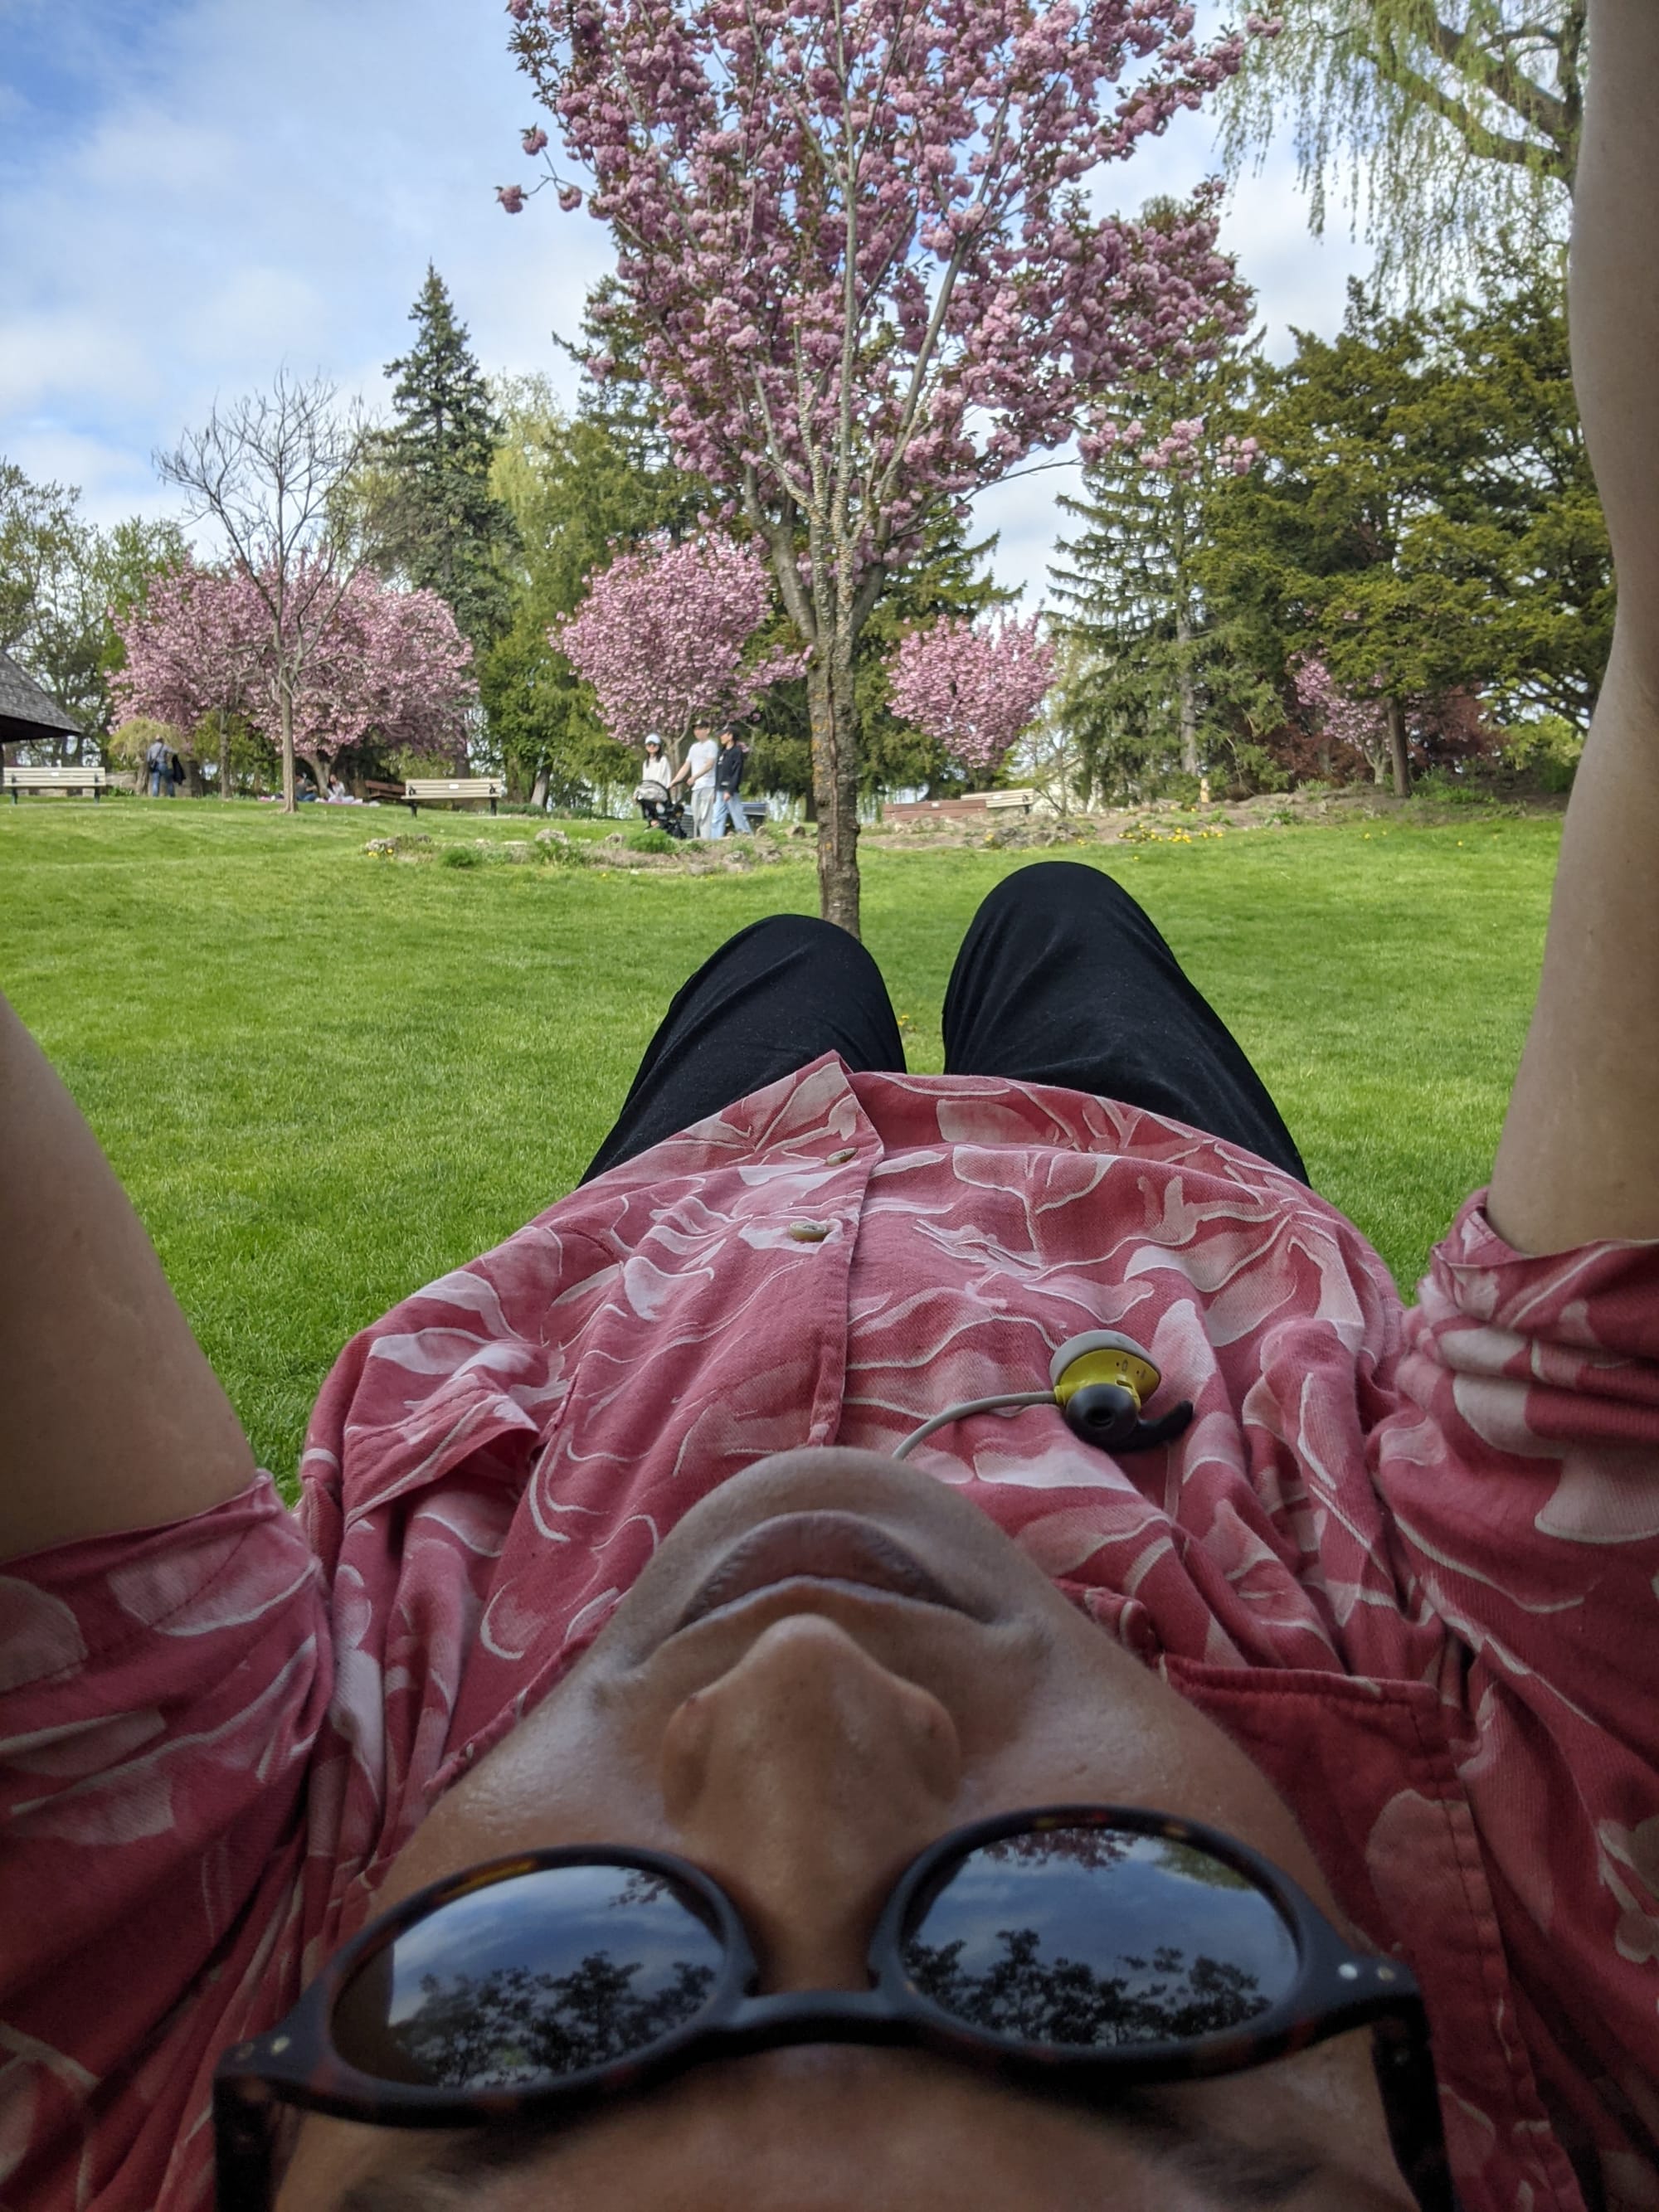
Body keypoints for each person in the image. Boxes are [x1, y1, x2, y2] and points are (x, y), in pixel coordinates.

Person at [3, 8, 1658, 2204]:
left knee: (782, 970)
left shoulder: (115, 2055)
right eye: (1112, 1961)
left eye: (528, 2008)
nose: (798, 1697)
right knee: (1063, 908)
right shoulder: (1587, 1925)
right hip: (1169, 1245)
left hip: (645, 1267)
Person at [671, 721, 720, 839]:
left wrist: (695, 777)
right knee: (696, 816)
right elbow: (686, 766)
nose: (697, 731)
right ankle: (697, 841)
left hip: (708, 786)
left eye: (700, 728)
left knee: (705, 817)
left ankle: (706, 842)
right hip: (696, 787)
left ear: (707, 730)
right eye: (695, 729)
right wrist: (674, 782)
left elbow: (709, 765)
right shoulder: (694, 747)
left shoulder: (711, 745)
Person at [710, 722, 752, 835]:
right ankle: (715, 841)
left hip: (730, 790)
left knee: (738, 816)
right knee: (716, 817)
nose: (721, 737)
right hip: (719, 789)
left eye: (724, 734)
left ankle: (746, 835)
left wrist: (730, 790)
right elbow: (718, 772)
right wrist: (715, 790)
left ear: (730, 736)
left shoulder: (737, 752)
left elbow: (737, 773)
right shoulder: (721, 751)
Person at [635, 733, 677, 828]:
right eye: (649, 745)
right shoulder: (646, 763)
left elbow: (664, 779)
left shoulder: (663, 760)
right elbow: (645, 780)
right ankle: (651, 821)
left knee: (659, 809)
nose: (652, 747)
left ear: (659, 746)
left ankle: (658, 822)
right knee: (641, 798)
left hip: (660, 792)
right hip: (648, 791)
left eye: (654, 744)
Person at [144, 732, 172, 797]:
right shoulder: (164, 747)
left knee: (156, 781)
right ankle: (171, 794)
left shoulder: (151, 748)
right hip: (162, 764)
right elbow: (172, 751)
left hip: (155, 766)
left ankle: (155, 796)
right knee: (169, 781)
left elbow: (148, 759)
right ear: (161, 740)